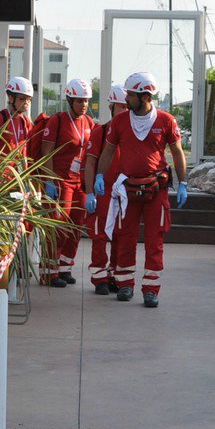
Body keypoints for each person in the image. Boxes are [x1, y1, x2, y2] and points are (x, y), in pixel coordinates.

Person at [93, 71, 188, 308]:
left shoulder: (166, 120)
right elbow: (107, 152)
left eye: (131, 95)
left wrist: (183, 182)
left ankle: (151, 289)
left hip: (157, 189)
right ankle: (125, 285)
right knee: (126, 236)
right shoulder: (120, 121)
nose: (126, 100)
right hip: (127, 190)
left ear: (145, 96)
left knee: (155, 239)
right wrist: (100, 177)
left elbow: (177, 152)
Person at [35, 79, 93, 287]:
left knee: (76, 227)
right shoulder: (58, 121)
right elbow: (46, 153)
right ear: (70, 100)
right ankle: (48, 273)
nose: (83, 105)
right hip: (60, 182)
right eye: (79, 101)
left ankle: (65, 267)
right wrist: (49, 181)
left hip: (79, 183)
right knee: (58, 227)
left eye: (86, 101)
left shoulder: (88, 123)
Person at [81, 85, 128, 294]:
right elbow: (90, 163)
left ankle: (115, 275)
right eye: (121, 107)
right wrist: (90, 192)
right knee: (100, 235)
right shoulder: (101, 132)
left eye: (128, 106)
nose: (126, 111)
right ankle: (99, 277)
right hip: (104, 191)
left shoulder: (134, 133)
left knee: (121, 235)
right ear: (111, 107)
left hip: (125, 191)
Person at [0, 77, 33, 155]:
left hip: (18, 166)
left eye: (29, 99)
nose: (26, 103)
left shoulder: (25, 121)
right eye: (22, 99)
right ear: (11, 98)